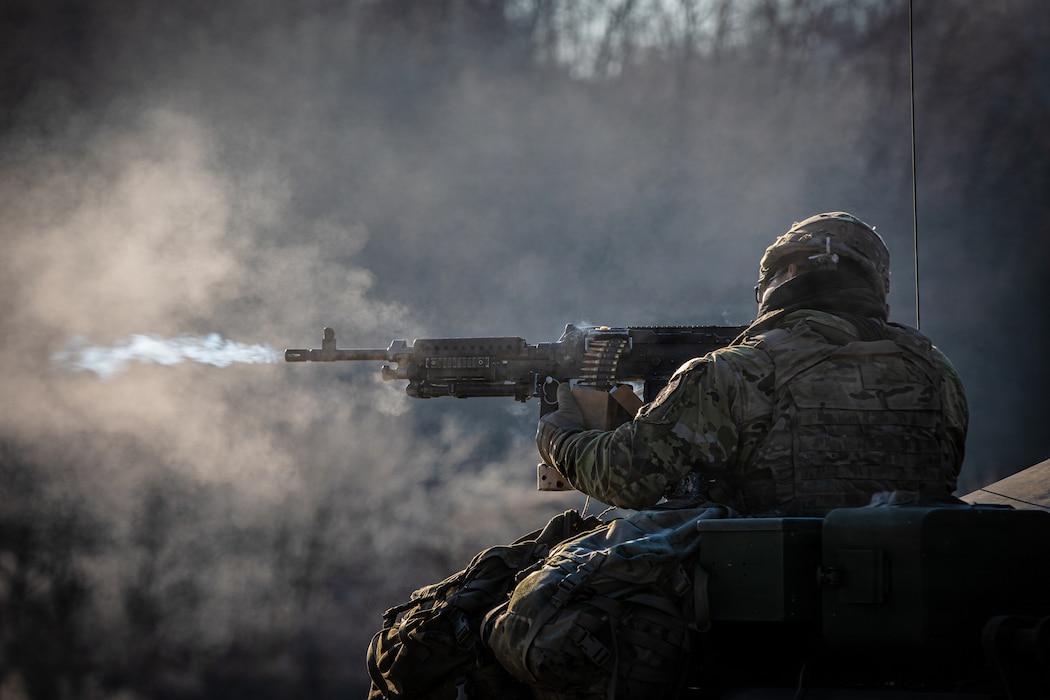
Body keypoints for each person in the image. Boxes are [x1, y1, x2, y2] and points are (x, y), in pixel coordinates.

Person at [535, 211, 968, 516]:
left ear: (790, 270)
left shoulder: (734, 372)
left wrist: (559, 434)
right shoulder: (936, 370)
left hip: (771, 598)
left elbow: (623, 477)